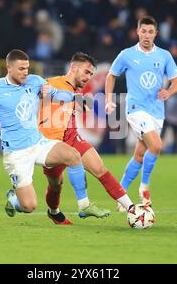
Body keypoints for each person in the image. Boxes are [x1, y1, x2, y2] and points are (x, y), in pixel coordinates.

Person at [0, 49, 109, 223]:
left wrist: (76, 98)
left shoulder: (35, 82)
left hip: (38, 143)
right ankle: (14, 200)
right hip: (16, 153)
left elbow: (57, 94)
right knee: (29, 206)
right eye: (21, 69)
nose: (25, 72)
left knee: (73, 155)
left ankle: (84, 206)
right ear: (9, 67)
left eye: (27, 68)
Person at [38, 52, 135, 225]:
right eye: (86, 72)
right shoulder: (50, 83)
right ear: (73, 67)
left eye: (91, 74)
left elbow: (83, 105)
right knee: (56, 185)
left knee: (100, 168)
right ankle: (53, 212)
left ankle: (132, 208)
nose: (88, 77)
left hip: (73, 139)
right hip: (52, 145)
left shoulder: (78, 91)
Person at [104, 15, 177, 210]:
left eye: (150, 32)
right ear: (137, 32)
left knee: (140, 154)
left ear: (156, 33)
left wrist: (168, 91)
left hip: (156, 112)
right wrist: (108, 100)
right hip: (135, 109)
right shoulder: (127, 54)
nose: (146, 35)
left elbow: (176, 82)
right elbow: (111, 75)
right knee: (156, 145)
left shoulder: (164, 56)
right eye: (143, 31)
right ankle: (144, 188)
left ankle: (120, 193)